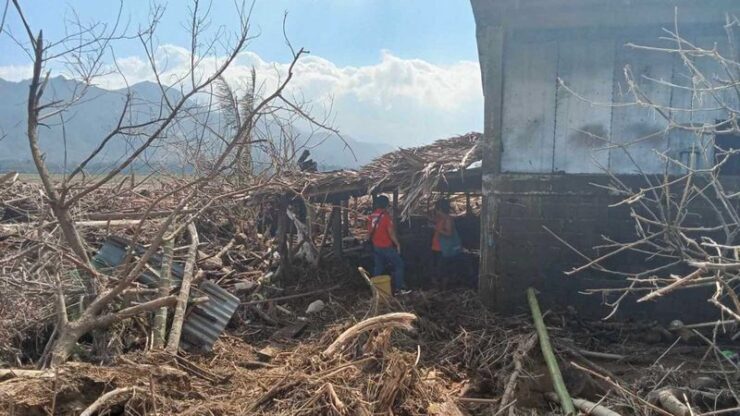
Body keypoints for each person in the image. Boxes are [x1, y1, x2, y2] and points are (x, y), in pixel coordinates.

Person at [368, 195, 408, 294]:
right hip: (386, 246)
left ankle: (375, 289)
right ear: (386, 205)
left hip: (376, 246)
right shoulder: (386, 217)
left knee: (379, 267)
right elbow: (391, 233)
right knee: (399, 265)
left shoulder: (371, 216)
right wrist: (397, 244)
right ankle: (399, 289)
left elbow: (369, 233)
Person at [432, 198, 469, 289]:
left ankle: (442, 289)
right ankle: (440, 288)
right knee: (438, 269)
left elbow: (449, 233)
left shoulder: (448, 219)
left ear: (439, 209)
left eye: (436, 209)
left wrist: (438, 230)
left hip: (443, 248)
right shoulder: (442, 218)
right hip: (437, 247)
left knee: (442, 270)